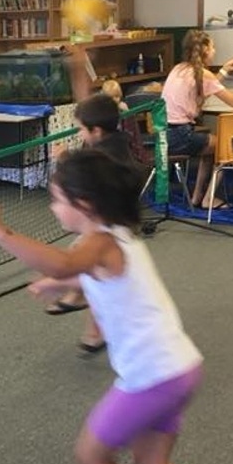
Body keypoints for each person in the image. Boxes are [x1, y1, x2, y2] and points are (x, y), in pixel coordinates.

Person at [0, 148, 229, 464]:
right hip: (179, 368)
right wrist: (61, 283)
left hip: (150, 377)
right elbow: (90, 273)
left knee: (91, 457)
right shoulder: (116, 235)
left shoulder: (98, 244)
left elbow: (72, 263)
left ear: (84, 204)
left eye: (56, 200)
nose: (53, 208)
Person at [44, 93, 137, 358]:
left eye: (82, 129)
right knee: (98, 277)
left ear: (96, 130)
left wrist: (64, 158)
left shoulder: (108, 154)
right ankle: (93, 326)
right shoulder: (110, 141)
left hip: (116, 227)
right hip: (108, 222)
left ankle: (82, 303)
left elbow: (89, 173)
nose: (81, 134)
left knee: (90, 270)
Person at [161, 29, 233, 209]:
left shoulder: (178, 69)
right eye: (213, 47)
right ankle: (208, 198)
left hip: (165, 135)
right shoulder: (203, 73)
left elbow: (200, 93)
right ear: (206, 49)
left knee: (210, 147)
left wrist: (224, 71)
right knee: (225, 147)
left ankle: (197, 196)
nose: (215, 51)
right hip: (181, 134)